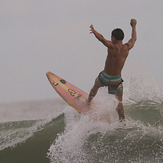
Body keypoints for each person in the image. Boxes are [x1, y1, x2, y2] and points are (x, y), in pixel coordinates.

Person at [87, 19, 137, 122]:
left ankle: (88, 102)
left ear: (114, 38)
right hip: (116, 80)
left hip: (105, 77)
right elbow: (133, 38)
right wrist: (133, 26)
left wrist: (94, 31)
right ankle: (122, 120)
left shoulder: (111, 46)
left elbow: (101, 39)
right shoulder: (127, 48)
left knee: (95, 87)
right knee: (119, 102)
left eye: (111, 37)